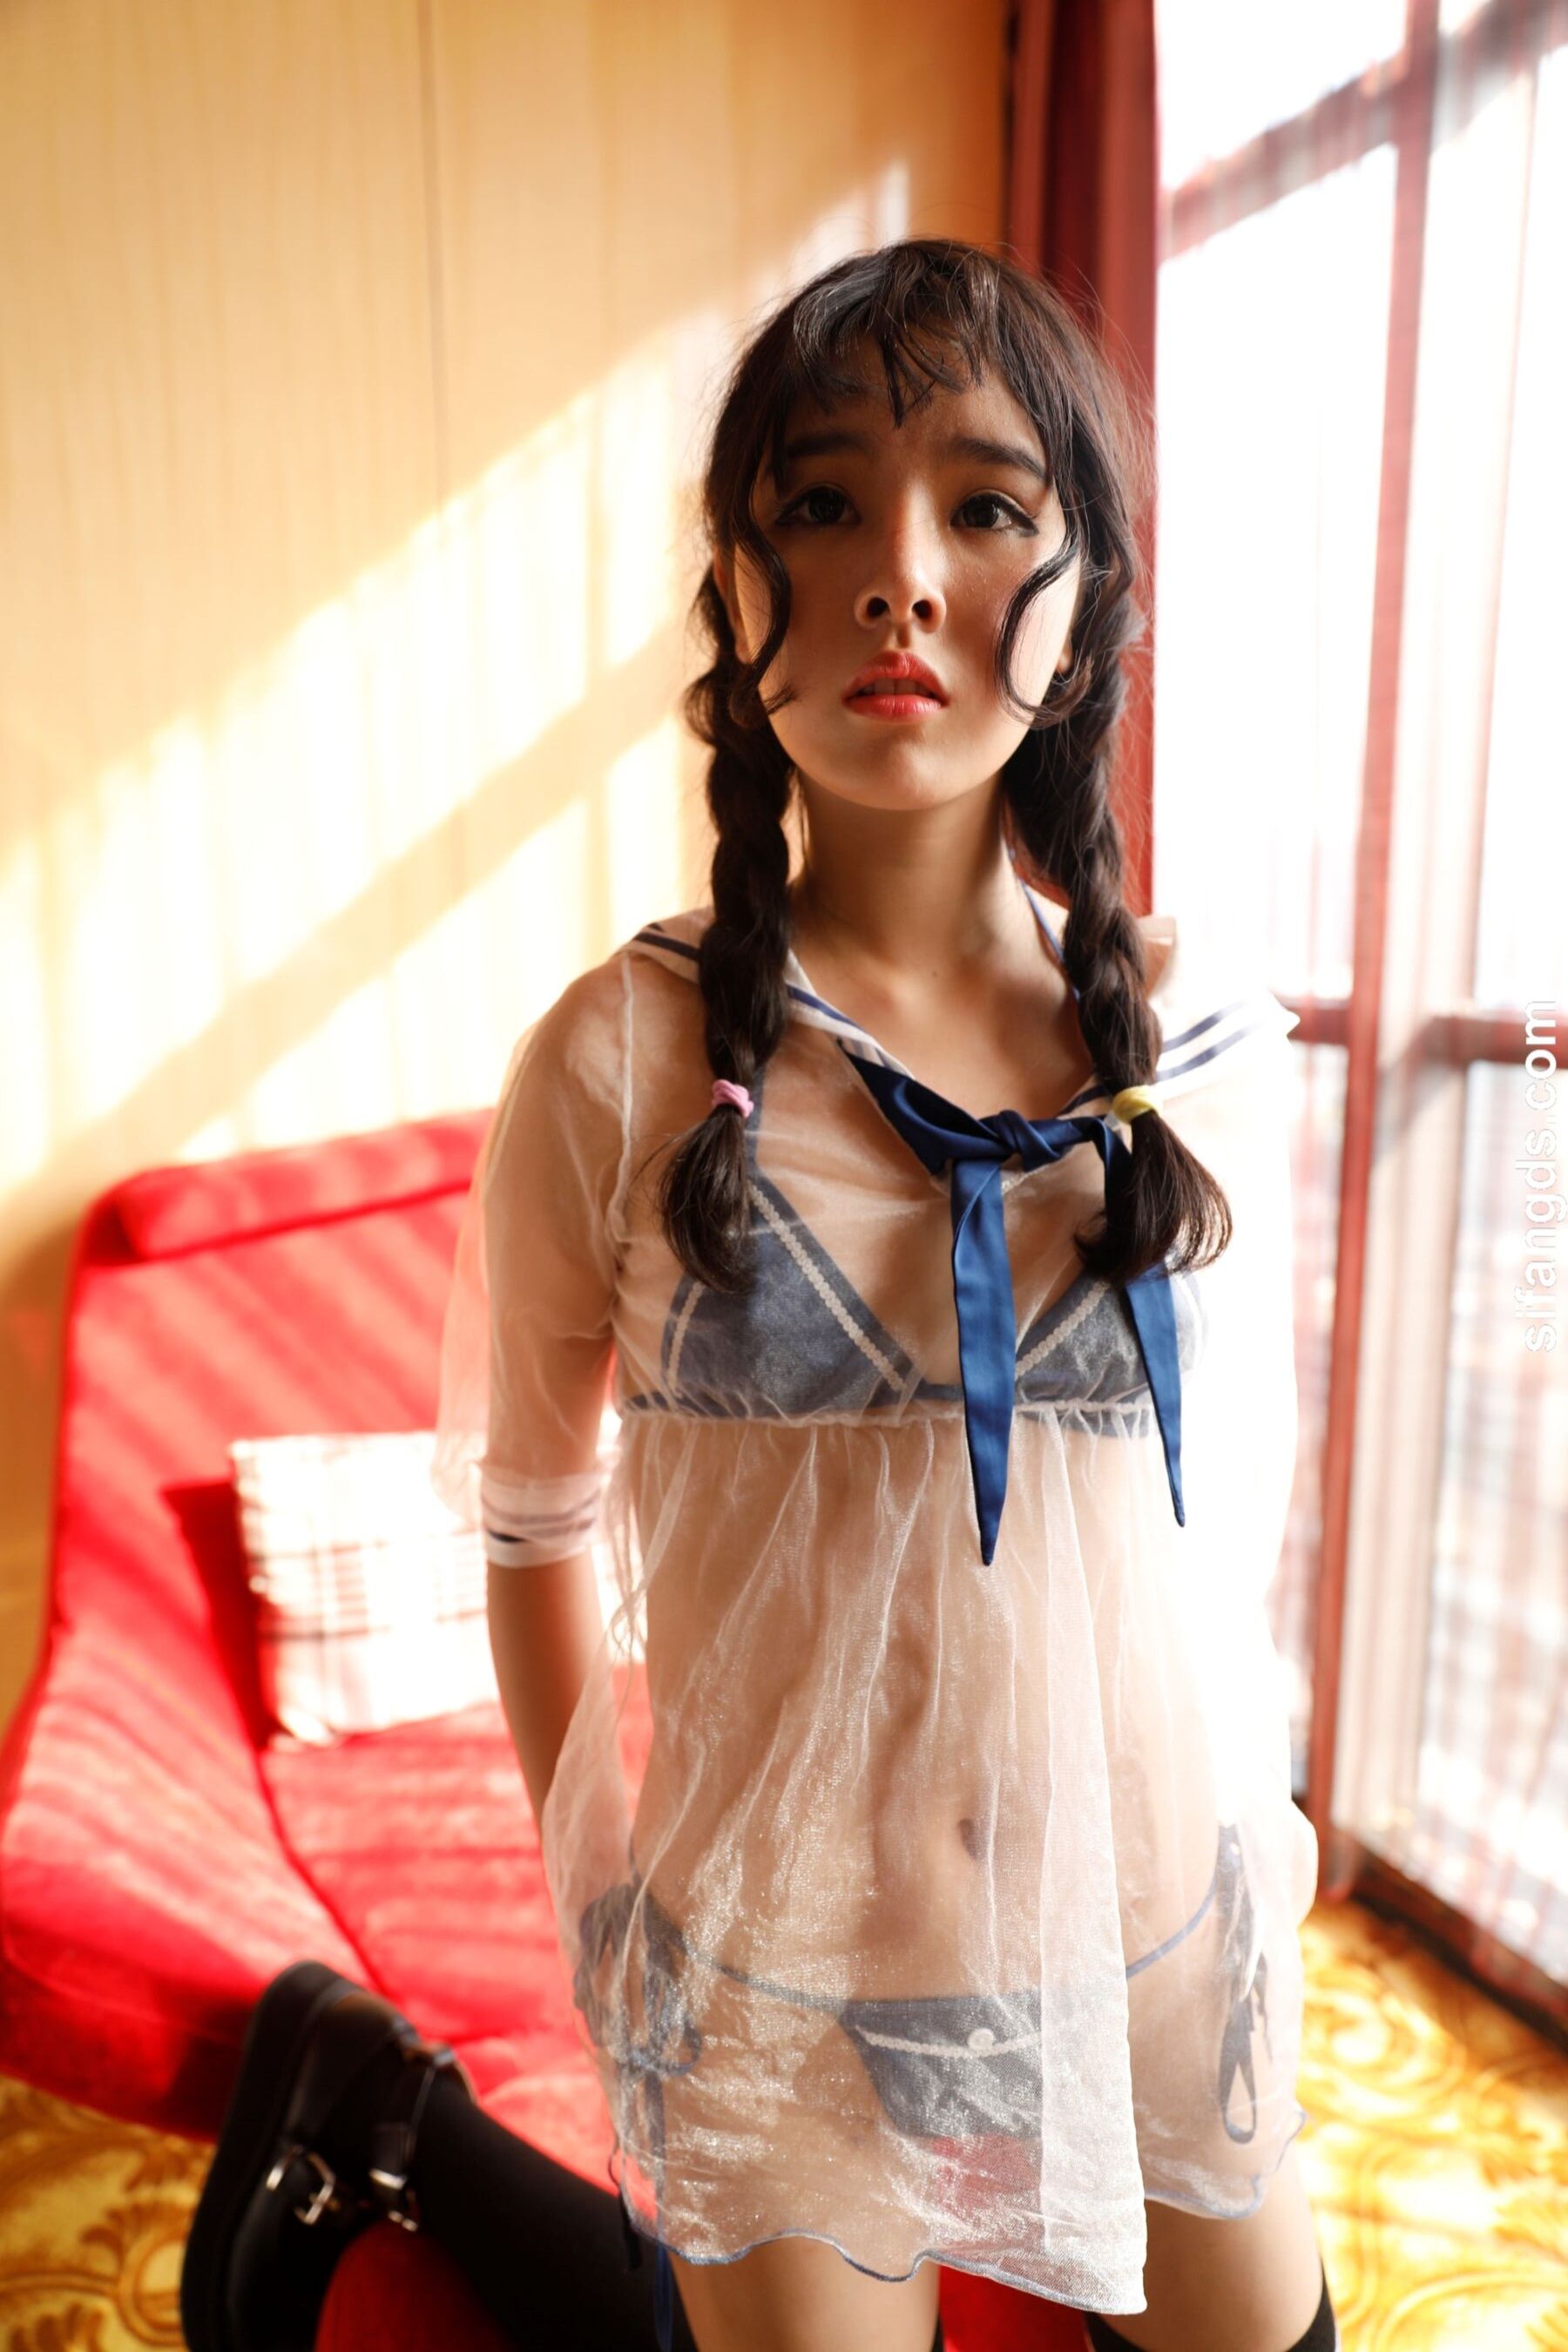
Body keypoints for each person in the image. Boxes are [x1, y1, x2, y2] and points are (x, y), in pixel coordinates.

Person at [180, 238, 1339, 2352]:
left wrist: (1256, 1833)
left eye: (985, 506)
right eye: (823, 501)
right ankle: (405, 2117)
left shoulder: (1200, 1047)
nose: (900, 574)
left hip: (1155, 1931)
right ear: (736, 593)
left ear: (1085, 605)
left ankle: (401, 2119)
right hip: (785, 1958)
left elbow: (1211, 1528)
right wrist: (605, 1900)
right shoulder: (618, 1065)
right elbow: (531, 1515)